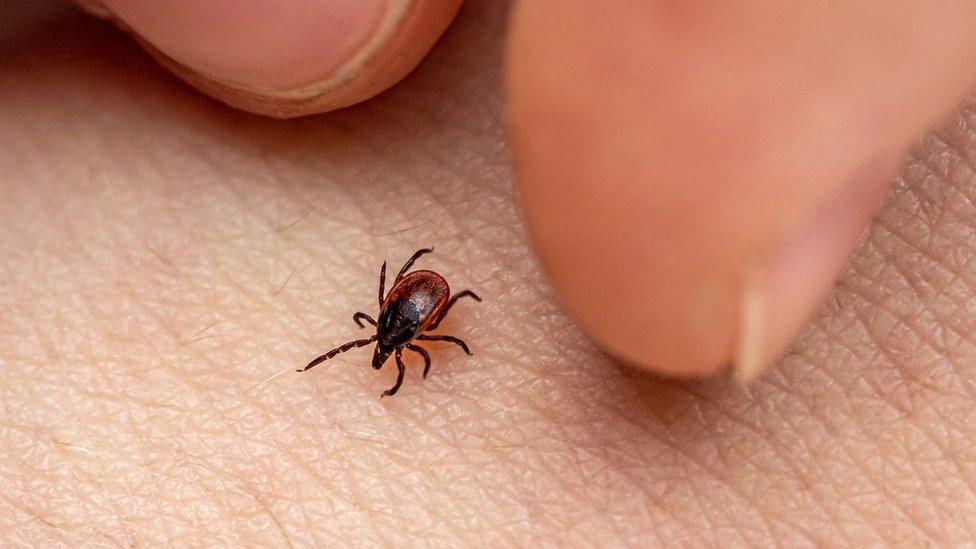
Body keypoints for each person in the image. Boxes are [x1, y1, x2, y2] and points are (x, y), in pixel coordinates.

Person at [3, 1, 975, 545]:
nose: (394, 336)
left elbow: (430, 296)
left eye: (395, 332)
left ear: (398, 324)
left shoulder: (412, 320)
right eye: (393, 331)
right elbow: (427, 289)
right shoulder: (413, 316)